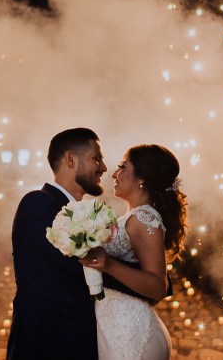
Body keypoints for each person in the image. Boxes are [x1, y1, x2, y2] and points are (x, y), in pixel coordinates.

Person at [78, 144, 189, 360]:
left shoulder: (144, 218)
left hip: (130, 335)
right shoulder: (132, 217)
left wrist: (108, 264)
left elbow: (158, 287)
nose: (114, 173)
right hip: (117, 327)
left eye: (123, 166)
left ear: (142, 178)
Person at [6, 127, 108, 360]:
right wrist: (146, 280)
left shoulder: (88, 214)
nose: (103, 167)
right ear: (70, 159)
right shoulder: (37, 204)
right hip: (45, 342)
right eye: (97, 158)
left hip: (81, 339)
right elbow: (84, 265)